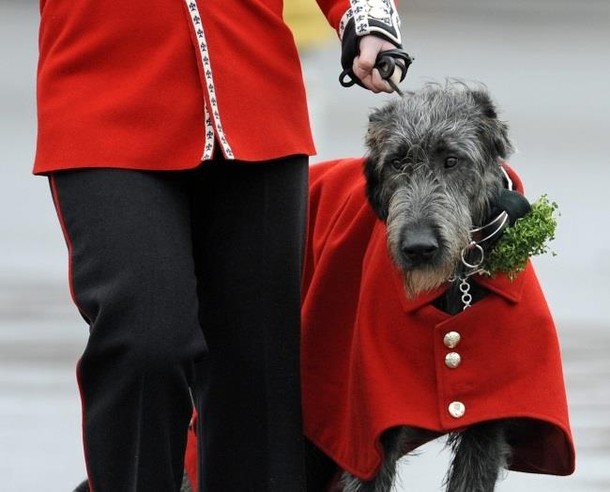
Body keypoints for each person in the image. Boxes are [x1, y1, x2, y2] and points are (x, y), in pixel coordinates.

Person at [34, 0, 404, 490]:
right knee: (145, 339)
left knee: (257, 374)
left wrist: (364, 18)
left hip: (254, 97)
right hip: (104, 101)